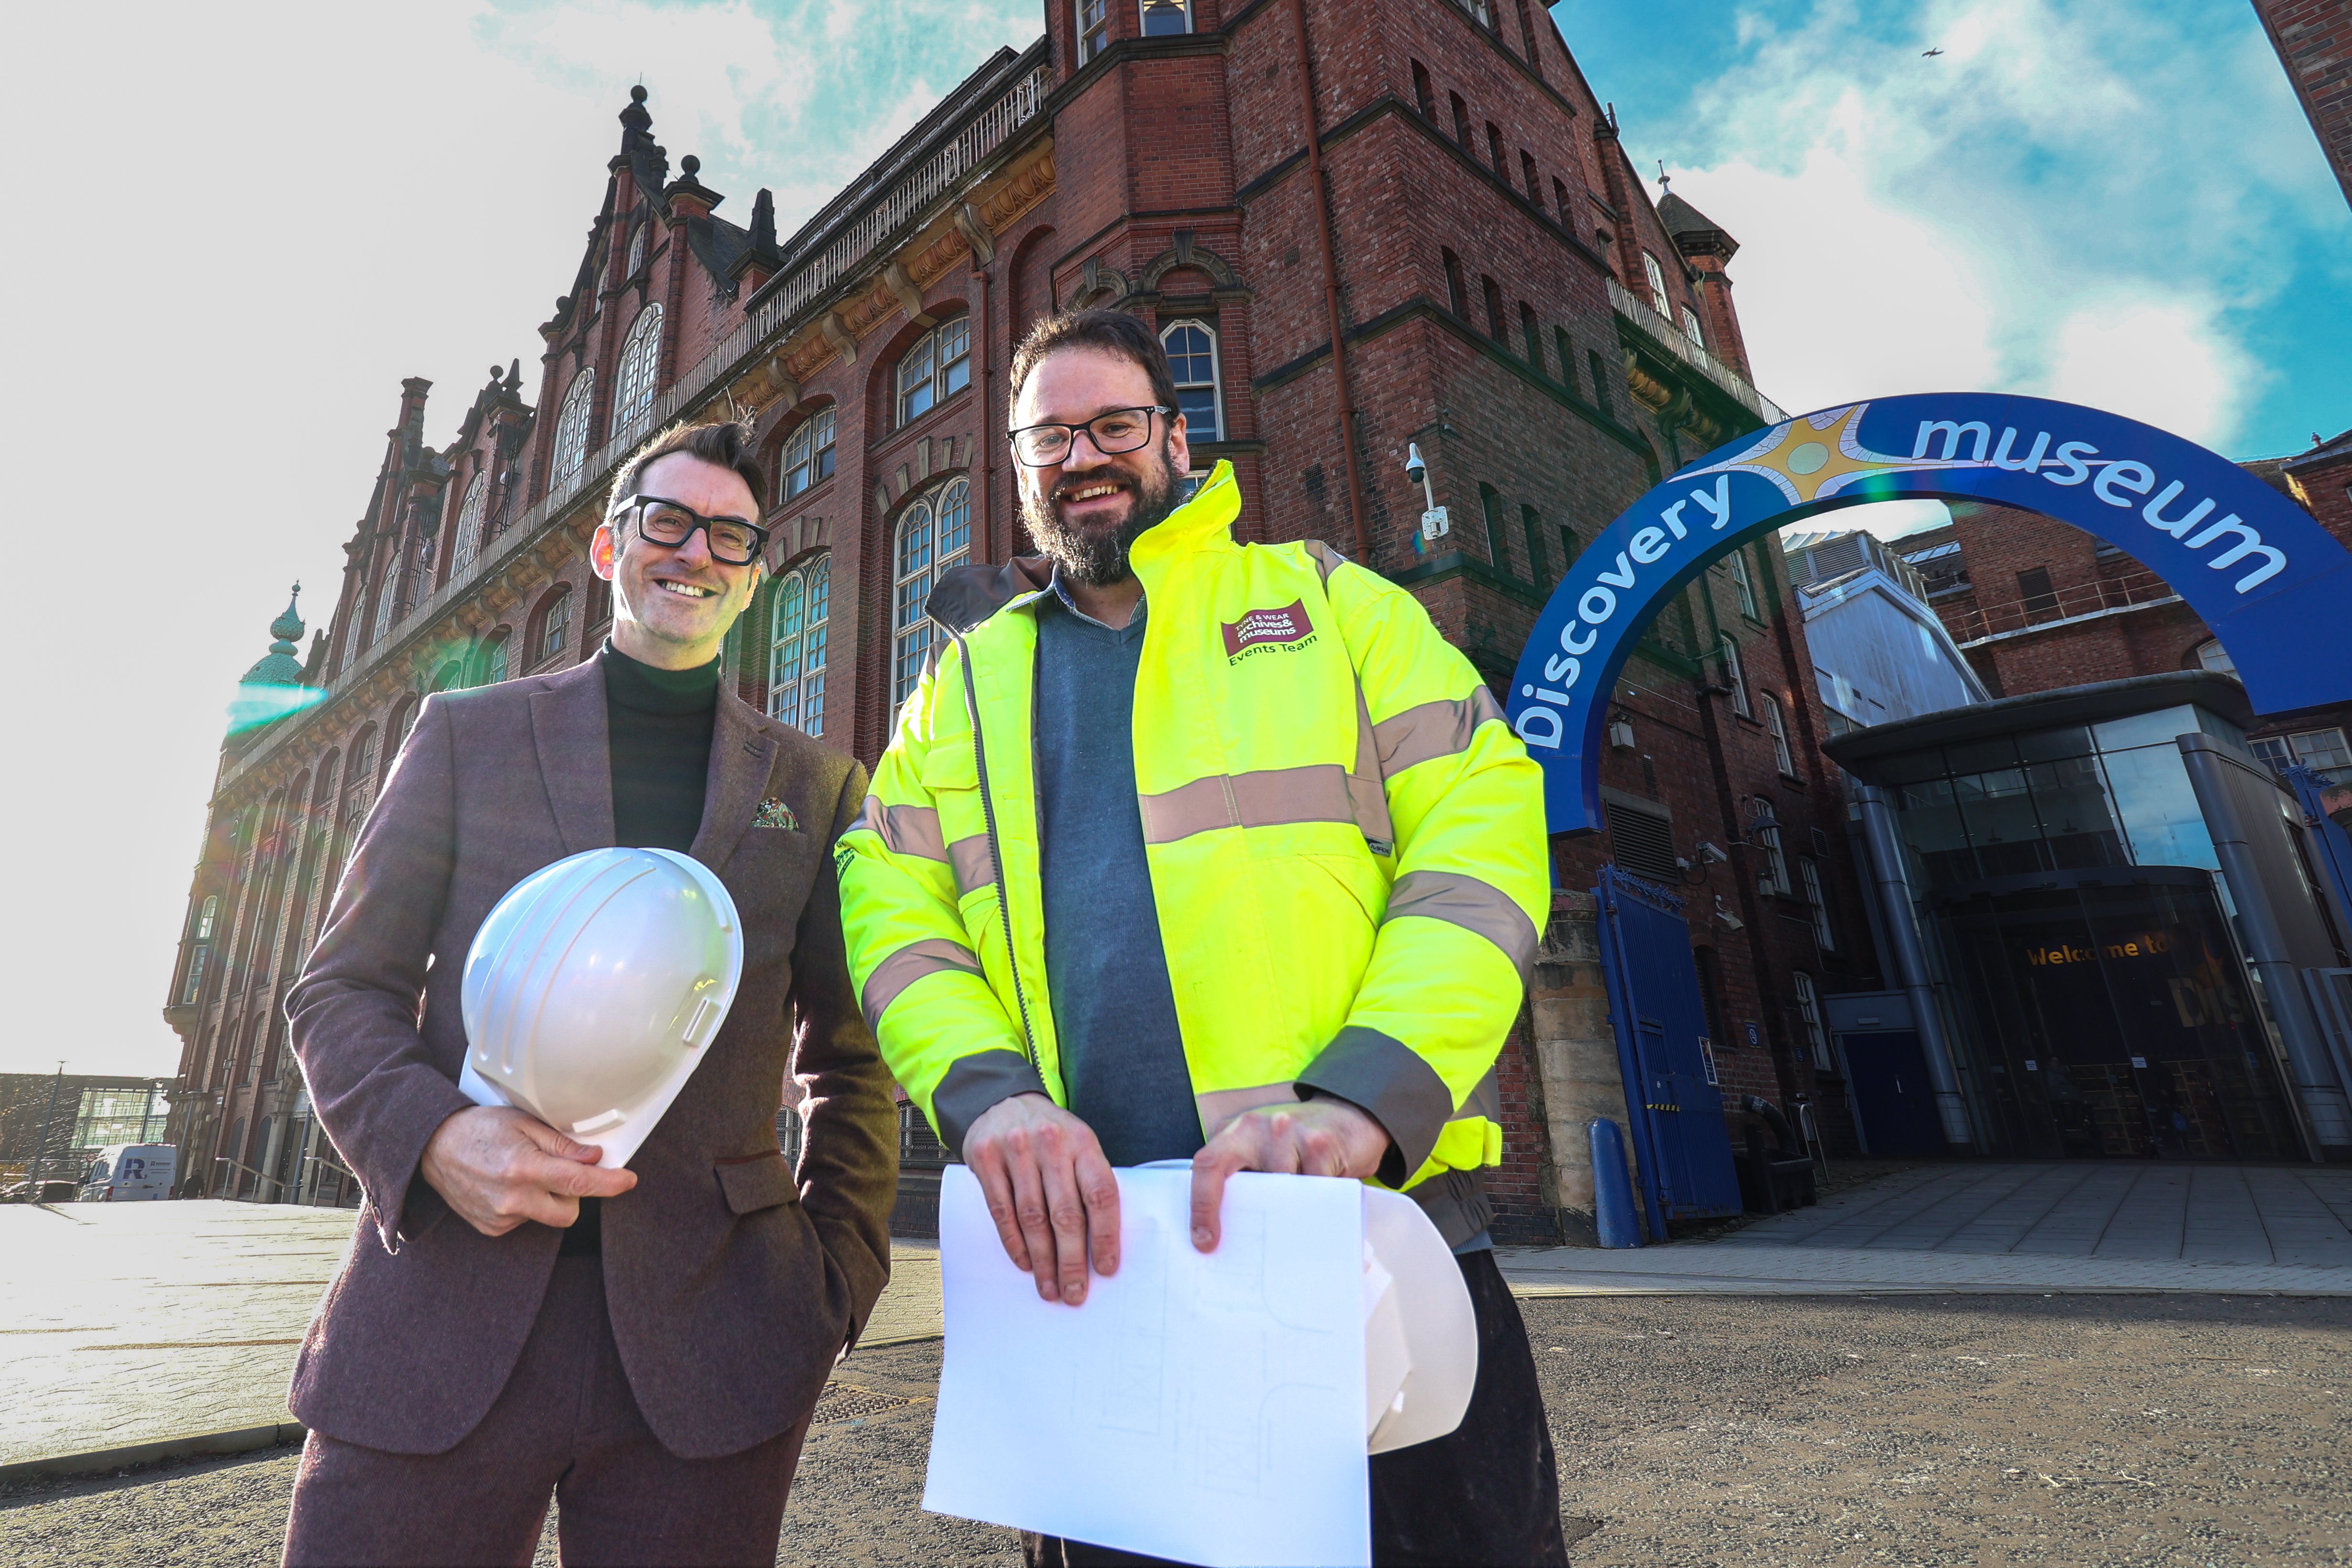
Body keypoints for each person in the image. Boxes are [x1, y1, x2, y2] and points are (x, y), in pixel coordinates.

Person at [837, 311, 1566, 1566]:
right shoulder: (962, 684)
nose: (1083, 455)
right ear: (1020, 468)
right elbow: (889, 902)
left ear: (1175, 436)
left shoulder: (1331, 602)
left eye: (1114, 422)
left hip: (1364, 1237)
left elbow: (1483, 836)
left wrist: (1367, 1096)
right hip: (1100, 1282)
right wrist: (988, 1097)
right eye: (1049, 436)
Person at [282, 421, 897, 1566]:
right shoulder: (468, 736)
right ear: (610, 550)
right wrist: (433, 1139)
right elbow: (339, 989)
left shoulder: (814, 788)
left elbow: (850, 1054)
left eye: (729, 535)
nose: (696, 553)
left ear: (755, 575)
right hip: (443, 1315)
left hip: (715, 1342)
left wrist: (837, 1278)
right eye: (668, 522)